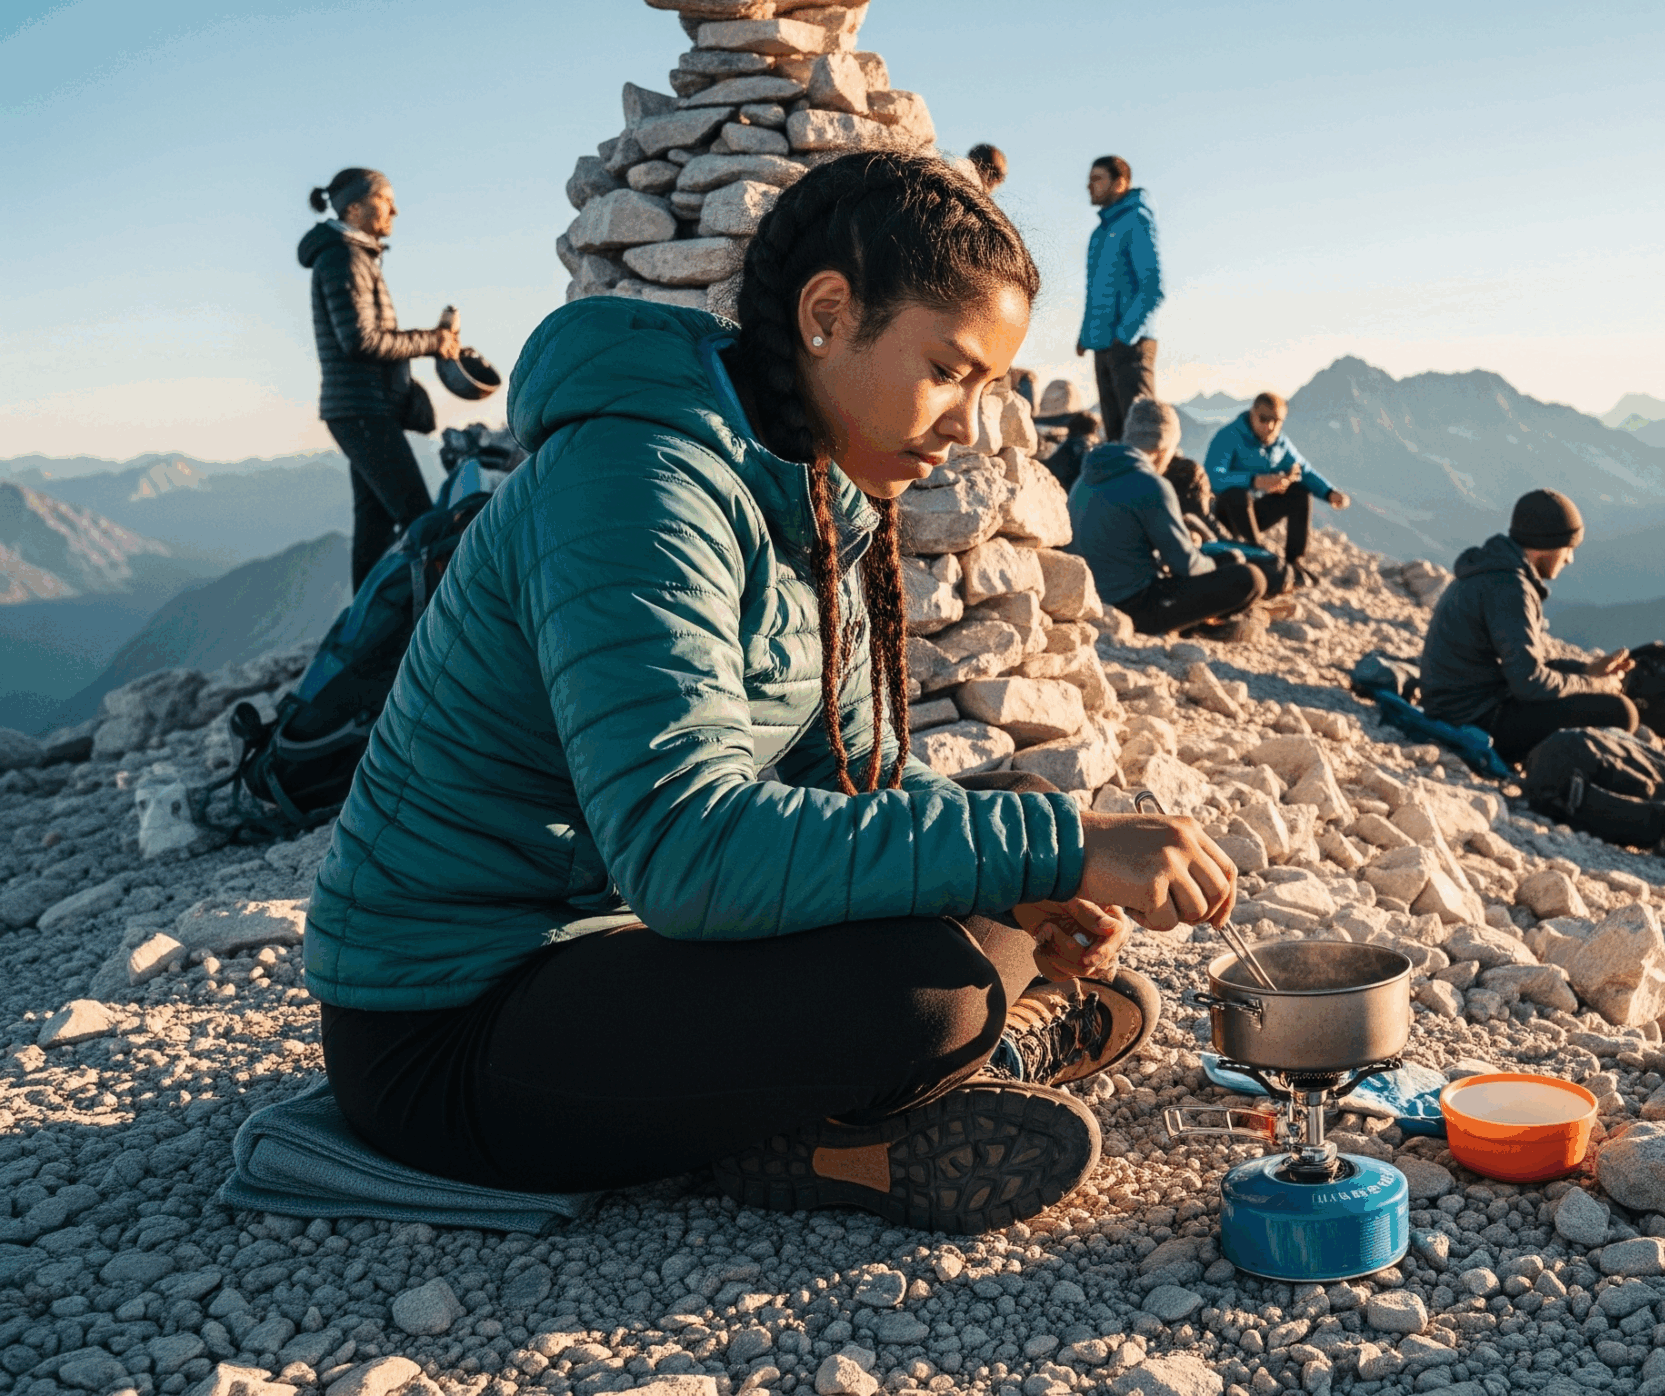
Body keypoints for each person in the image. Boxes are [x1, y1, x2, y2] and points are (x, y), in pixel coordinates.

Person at [306, 151, 1240, 1234]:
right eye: (948, 370)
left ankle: (953, 1068)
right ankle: (891, 1106)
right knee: (930, 990)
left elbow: (849, 789)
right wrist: (1056, 843)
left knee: (983, 931)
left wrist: (1020, 888)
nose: (964, 426)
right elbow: (682, 844)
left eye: (986, 387)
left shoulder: (807, 483)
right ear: (829, 314)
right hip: (448, 1027)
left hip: (605, 948)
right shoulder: (637, 484)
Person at [298, 167, 462, 586]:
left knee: (373, 527)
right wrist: (433, 341)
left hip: (361, 407)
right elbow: (360, 341)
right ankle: (433, 628)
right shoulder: (343, 257)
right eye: (385, 199)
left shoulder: (354, 255)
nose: (395, 209)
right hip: (361, 408)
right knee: (421, 520)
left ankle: (363, 639)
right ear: (354, 206)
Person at [1419, 490, 1640, 764]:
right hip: (1477, 719)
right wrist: (1591, 685)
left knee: (1600, 699)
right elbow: (1530, 682)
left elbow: (1527, 665)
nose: (1569, 559)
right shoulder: (1511, 588)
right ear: (1548, 545)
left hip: (1462, 706)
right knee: (1621, 712)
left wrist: (1586, 669)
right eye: (1568, 548)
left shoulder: (1494, 570)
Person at [1067, 398, 1267, 638]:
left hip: (1085, 601)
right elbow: (1185, 565)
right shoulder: (1151, 484)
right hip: (1133, 607)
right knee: (1251, 578)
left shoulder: (1087, 476)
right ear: (1164, 449)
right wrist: (1218, 563)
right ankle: (1199, 626)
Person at [1204, 392, 1349, 586]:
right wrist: (1255, 481)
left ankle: (1293, 562)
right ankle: (1258, 556)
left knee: (1299, 492)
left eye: (1276, 421)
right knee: (1236, 494)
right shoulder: (1229, 436)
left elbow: (1304, 471)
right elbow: (1212, 476)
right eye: (1263, 419)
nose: (1269, 426)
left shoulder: (1280, 444)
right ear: (1252, 414)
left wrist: (1330, 492)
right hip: (1224, 513)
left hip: (1252, 515)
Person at [1075, 156, 1162, 442]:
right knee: (1114, 436)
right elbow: (1097, 290)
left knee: (1140, 436)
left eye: (1097, 179)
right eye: (1089, 179)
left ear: (1120, 182)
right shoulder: (1100, 233)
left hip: (1131, 346)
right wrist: (1086, 336)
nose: (1089, 186)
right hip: (1104, 346)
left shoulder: (1136, 220)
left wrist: (1125, 335)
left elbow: (1152, 288)